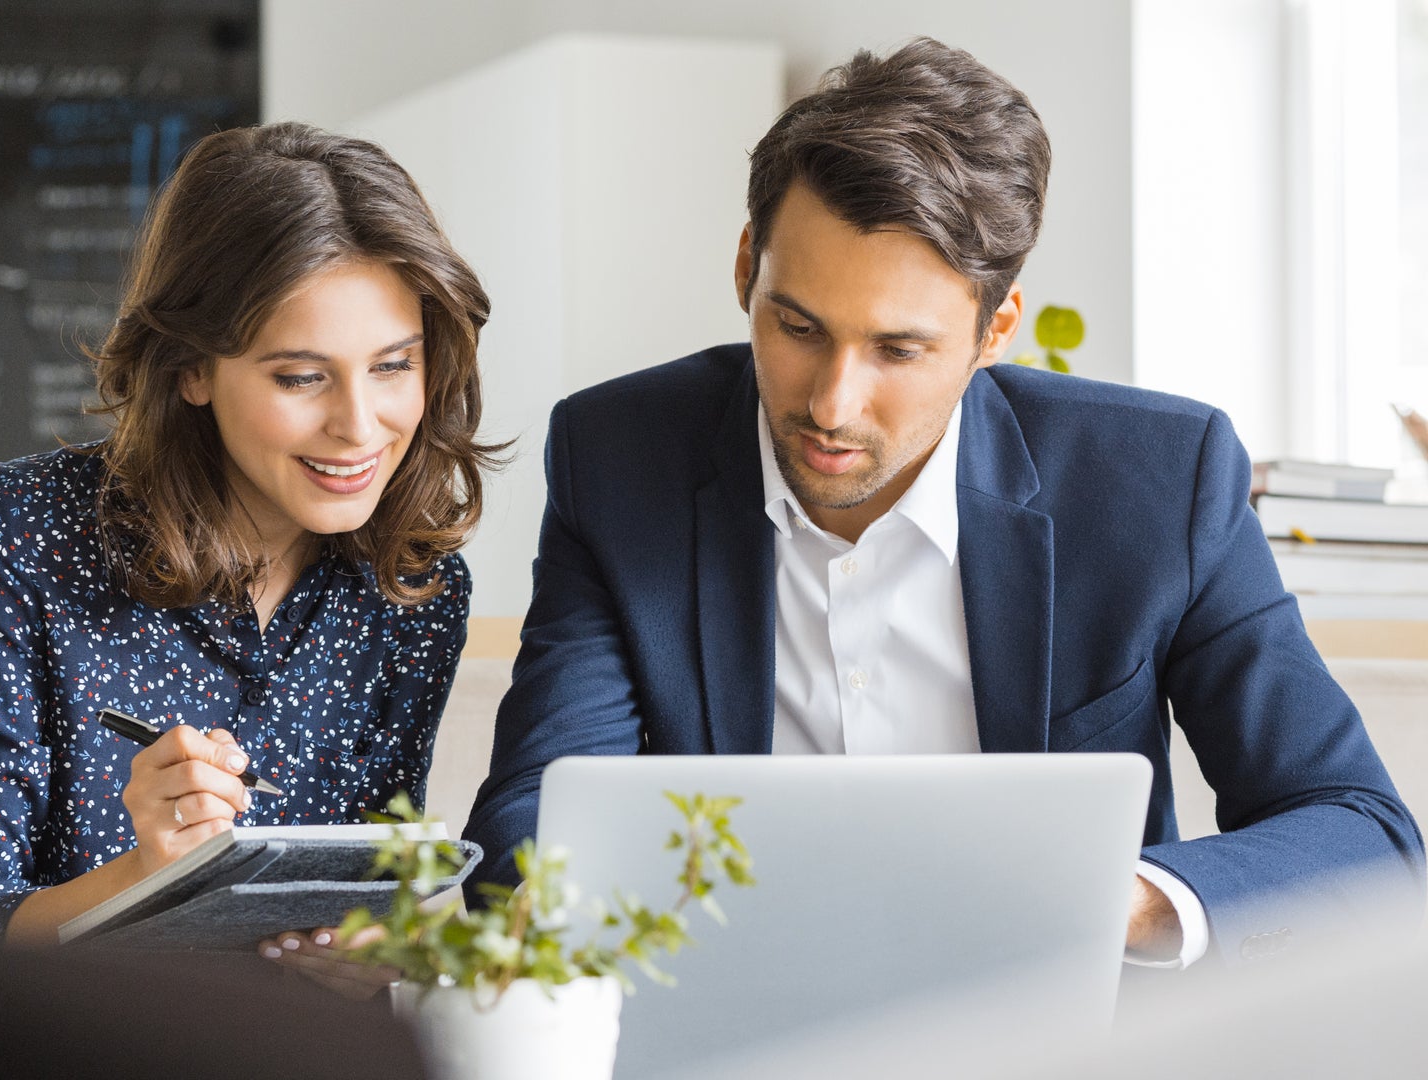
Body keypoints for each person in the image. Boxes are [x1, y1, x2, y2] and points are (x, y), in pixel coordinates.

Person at [462, 39, 1422, 967]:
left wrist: (1111, 903)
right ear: (748, 262)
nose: (831, 404)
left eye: (899, 349)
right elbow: (532, 820)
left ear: (994, 327)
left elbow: (1361, 830)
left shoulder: (1160, 479)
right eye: (797, 325)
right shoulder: (621, 454)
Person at [0, 123, 502, 983]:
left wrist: (373, 957)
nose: (360, 426)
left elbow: (359, 902)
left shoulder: (417, 591)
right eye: (300, 377)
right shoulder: (17, 534)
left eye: (393, 366)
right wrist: (148, 879)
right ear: (192, 370)